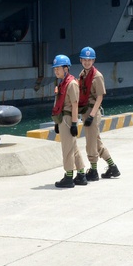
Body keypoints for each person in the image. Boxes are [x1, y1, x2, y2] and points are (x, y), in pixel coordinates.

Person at [76, 46, 119, 181]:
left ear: (93, 60)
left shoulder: (97, 76)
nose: (87, 62)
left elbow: (100, 97)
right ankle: (113, 167)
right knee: (96, 141)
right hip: (85, 110)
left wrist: (91, 116)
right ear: (81, 60)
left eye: (90, 60)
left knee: (90, 142)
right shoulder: (82, 74)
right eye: (85, 60)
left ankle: (93, 170)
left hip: (92, 111)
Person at [50, 54, 86, 188]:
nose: (56, 71)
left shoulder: (71, 84)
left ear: (66, 68)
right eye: (54, 69)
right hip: (63, 118)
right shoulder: (62, 83)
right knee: (73, 147)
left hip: (68, 118)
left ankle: (69, 176)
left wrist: (74, 124)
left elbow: (75, 104)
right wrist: (56, 122)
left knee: (67, 149)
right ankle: (81, 174)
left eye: (58, 68)